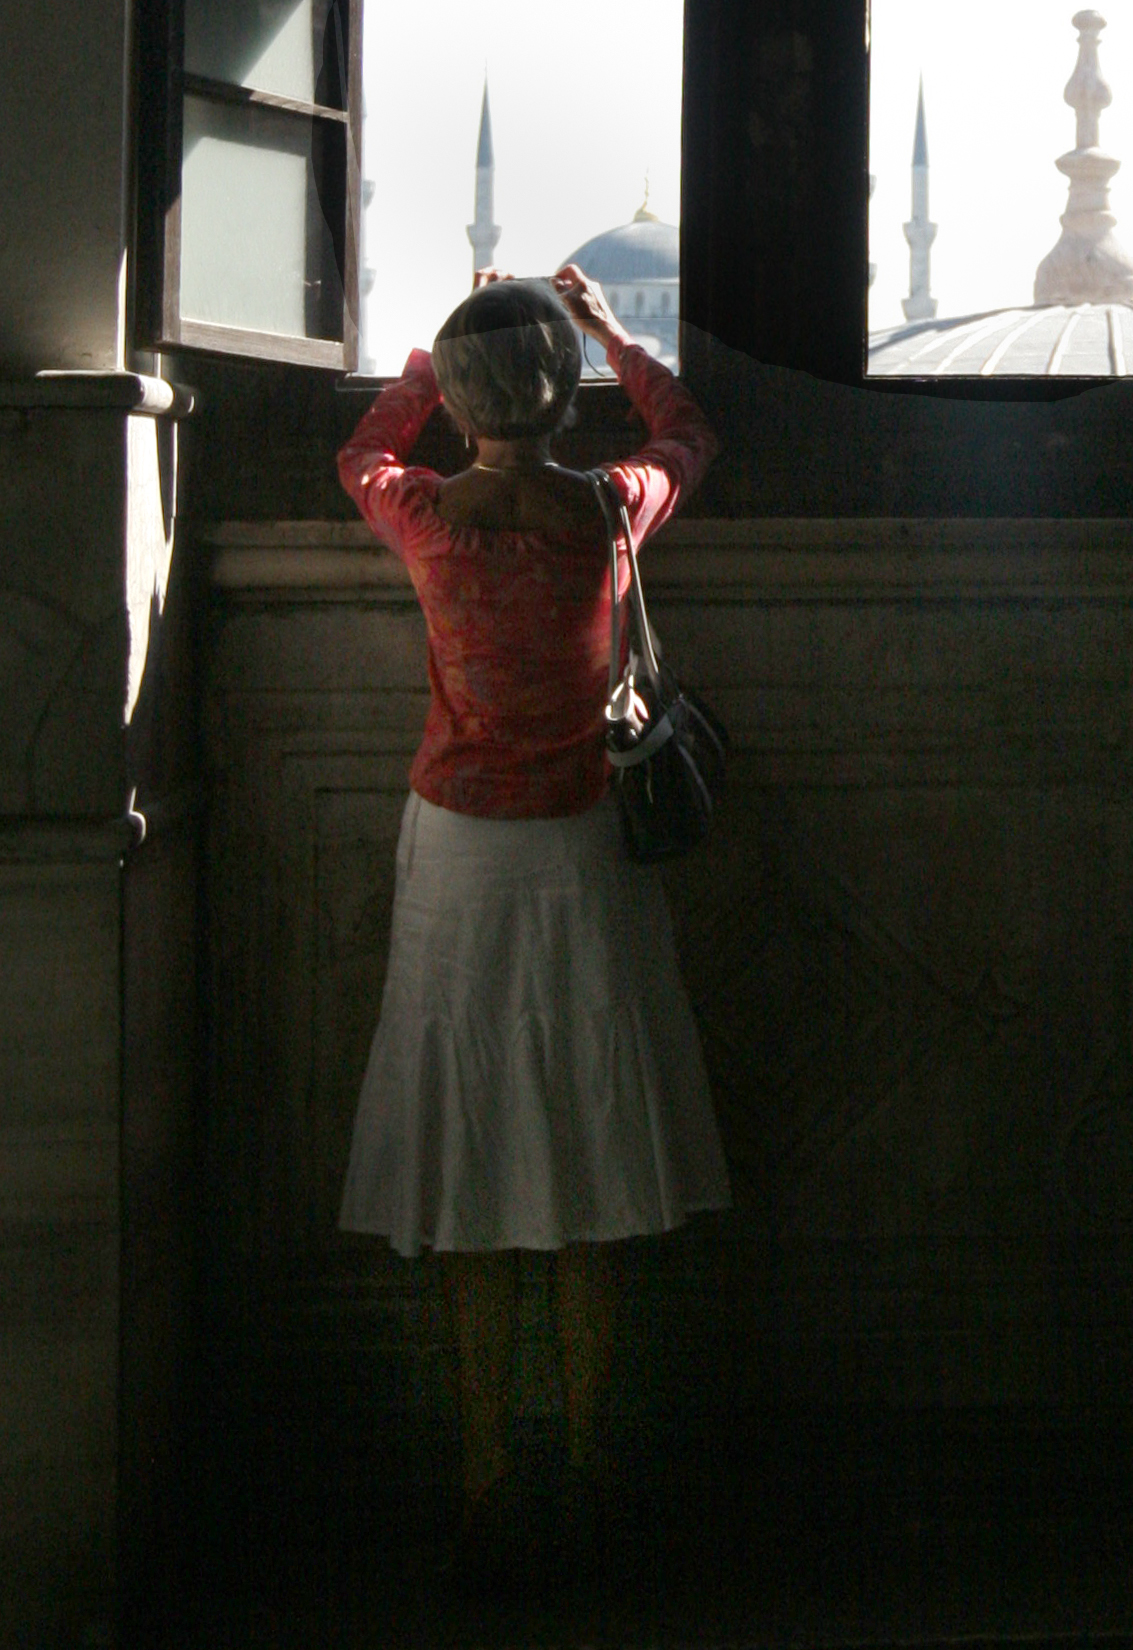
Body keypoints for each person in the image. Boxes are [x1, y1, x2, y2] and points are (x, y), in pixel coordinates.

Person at [334, 261, 729, 1580]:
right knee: (589, 1161)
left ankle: (487, 1467)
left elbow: (361, 448)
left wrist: (427, 360)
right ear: (565, 398)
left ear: (460, 401)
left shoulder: (425, 517)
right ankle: (596, 1454)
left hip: (458, 852)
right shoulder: (611, 511)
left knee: (473, 1166)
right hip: (584, 848)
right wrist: (616, 330)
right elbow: (685, 431)